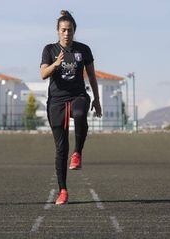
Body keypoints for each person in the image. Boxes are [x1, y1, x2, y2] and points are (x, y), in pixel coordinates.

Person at [40, 10, 102, 205]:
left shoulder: (83, 50)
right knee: (60, 149)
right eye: (63, 30)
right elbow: (43, 74)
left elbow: (91, 76)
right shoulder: (49, 49)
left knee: (80, 113)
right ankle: (63, 191)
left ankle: (78, 153)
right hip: (57, 100)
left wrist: (97, 100)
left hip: (78, 95)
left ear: (75, 31)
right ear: (58, 31)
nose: (67, 33)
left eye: (70, 30)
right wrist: (55, 65)